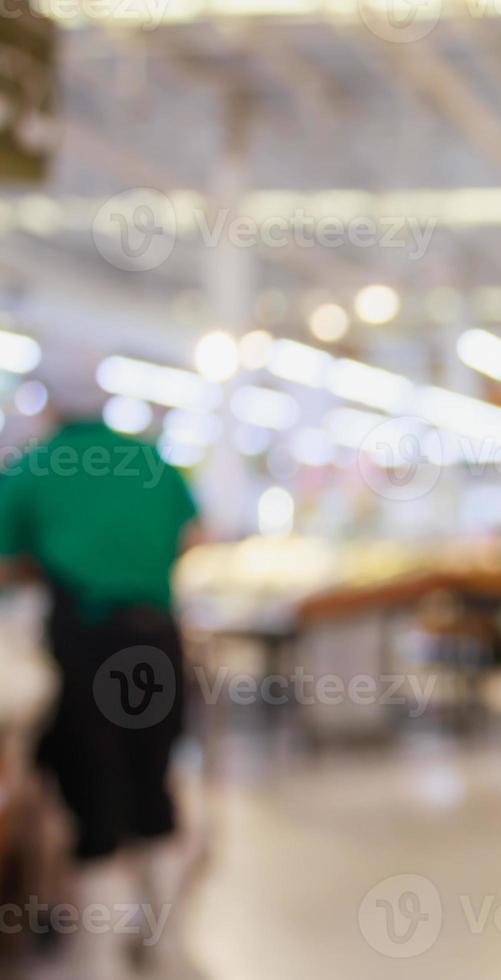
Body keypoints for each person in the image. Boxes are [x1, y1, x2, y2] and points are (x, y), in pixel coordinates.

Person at [0, 352, 203, 979]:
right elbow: (195, 537)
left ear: (51, 405)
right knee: (155, 780)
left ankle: (101, 958)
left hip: (85, 642)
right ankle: (166, 945)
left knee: (93, 791)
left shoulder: (34, 466)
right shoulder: (153, 461)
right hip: (157, 639)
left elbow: (6, 560)